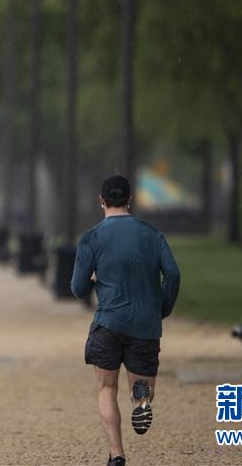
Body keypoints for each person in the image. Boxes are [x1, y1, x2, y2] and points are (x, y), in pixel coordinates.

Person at [71, 175, 181, 466]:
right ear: (129, 200)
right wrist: (162, 307)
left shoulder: (91, 238)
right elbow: (173, 273)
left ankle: (117, 454)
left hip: (108, 323)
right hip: (145, 325)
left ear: (101, 201)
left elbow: (77, 289)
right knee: (143, 386)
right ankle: (141, 398)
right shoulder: (152, 234)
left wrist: (93, 279)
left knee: (107, 389)